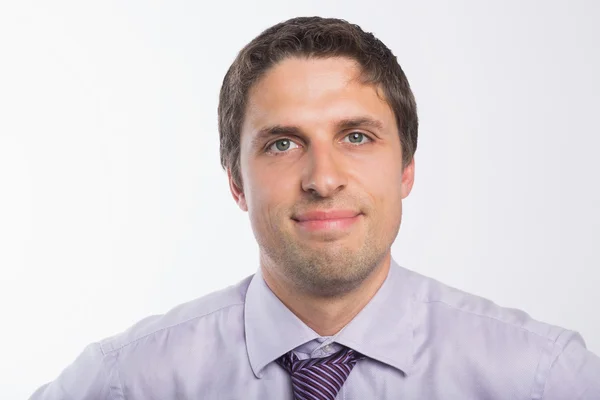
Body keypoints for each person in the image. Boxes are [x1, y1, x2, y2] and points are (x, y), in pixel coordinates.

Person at [30, 16, 600, 400]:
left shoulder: (542, 378)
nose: (323, 179)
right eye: (283, 143)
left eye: (356, 137)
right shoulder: (125, 383)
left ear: (407, 169)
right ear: (235, 182)